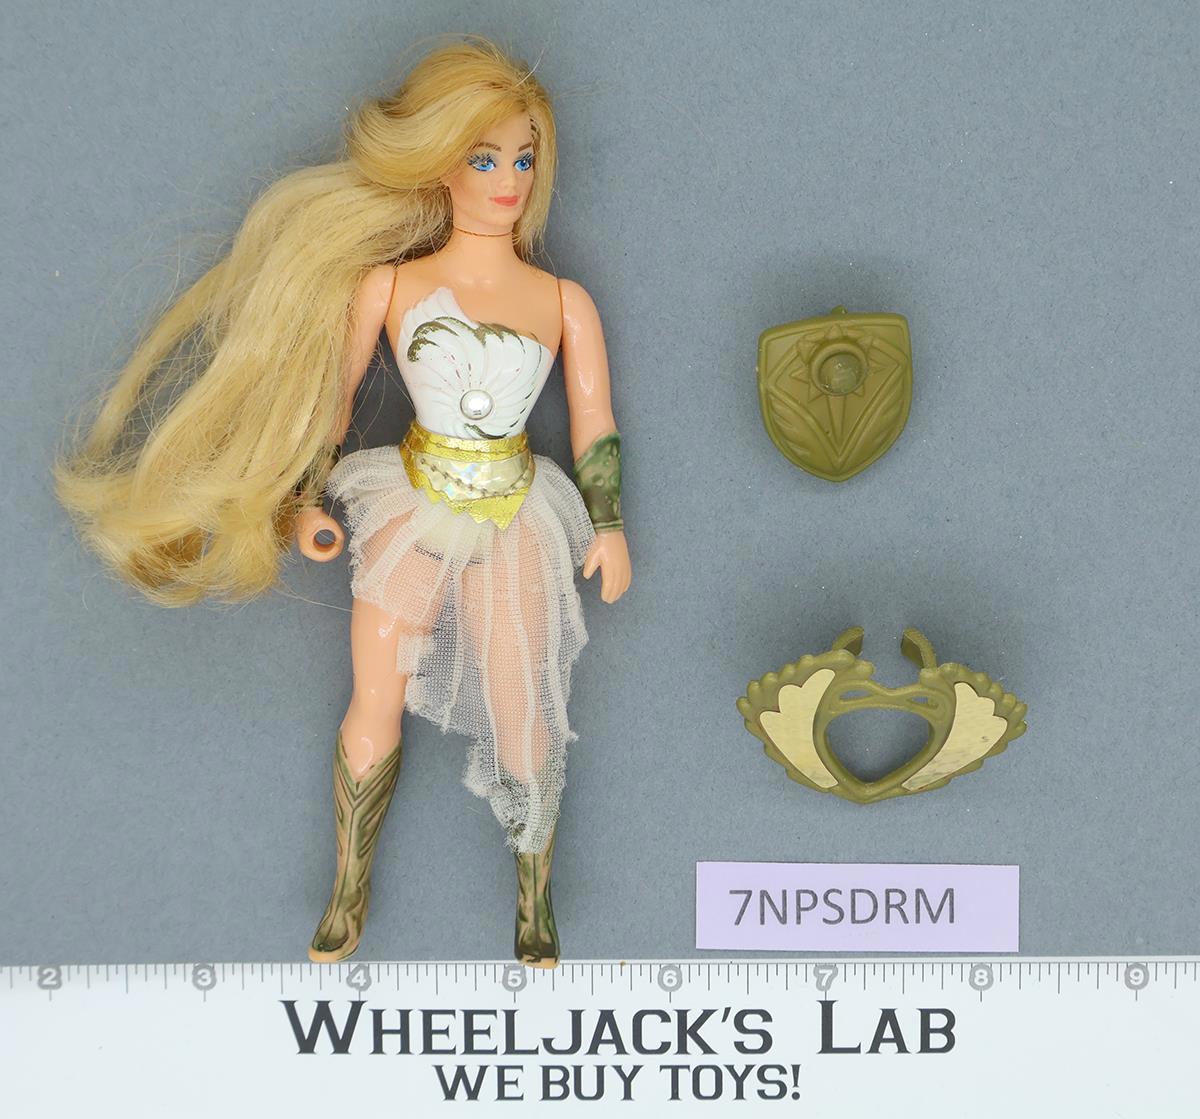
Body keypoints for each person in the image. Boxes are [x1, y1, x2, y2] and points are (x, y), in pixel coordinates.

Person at [54, 36, 631, 968]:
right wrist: (306, 499)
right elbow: (329, 405)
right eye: (484, 158)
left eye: (523, 159)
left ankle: (535, 897)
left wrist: (607, 525)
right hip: (409, 508)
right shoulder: (391, 284)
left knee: (523, 704)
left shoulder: (563, 300)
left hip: (517, 511)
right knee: (375, 697)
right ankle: (346, 888)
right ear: (438, 163)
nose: (507, 181)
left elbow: (594, 419)